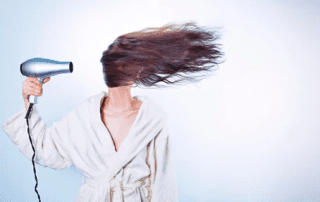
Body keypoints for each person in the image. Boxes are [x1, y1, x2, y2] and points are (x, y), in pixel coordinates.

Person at [2, 22, 224, 202]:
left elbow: (163, 186)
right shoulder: (83, 117)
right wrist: (28, 102)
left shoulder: (152, 120)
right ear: (138, 71)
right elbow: (45, 152)